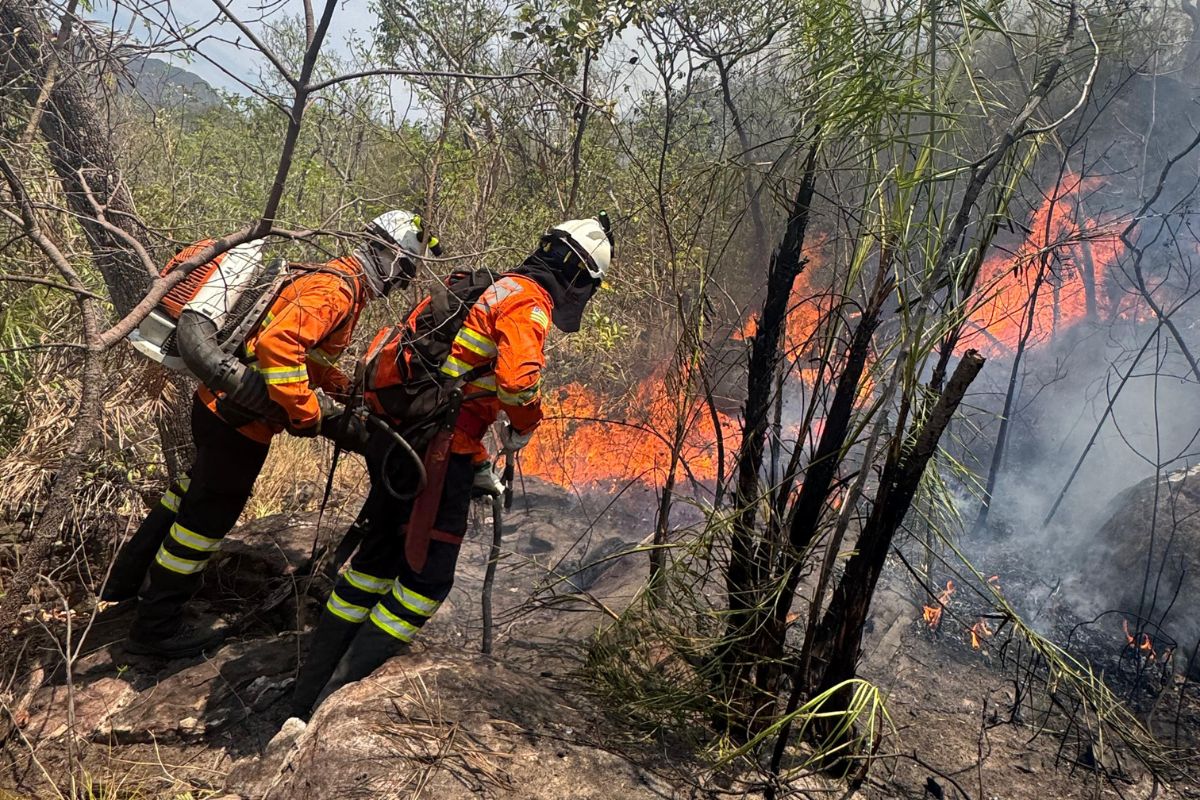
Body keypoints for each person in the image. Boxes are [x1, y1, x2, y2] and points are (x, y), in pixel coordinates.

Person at [289, 216, 612, 719]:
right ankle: (337, 703)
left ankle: (304, 697)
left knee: (374, 566)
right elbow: (517, 384)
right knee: (427, 581)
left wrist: (479, 461)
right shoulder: (527, 302)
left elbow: (449, 384)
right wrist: (525, 426)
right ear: (577, 277)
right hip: (438, 451)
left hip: (400, 439)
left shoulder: (488, 287)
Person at [103, 210, 436, 658]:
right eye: (405, 270)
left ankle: (127, 579)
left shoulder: (340, 283)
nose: (402, 283)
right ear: (389, 255)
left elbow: (309, 358)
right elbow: (279, 347)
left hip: (218, 408)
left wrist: (346, 391)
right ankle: (156, 627)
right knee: (203, 526)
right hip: (240, 422)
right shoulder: (335, 289)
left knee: (190, 493)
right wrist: (307, 413)